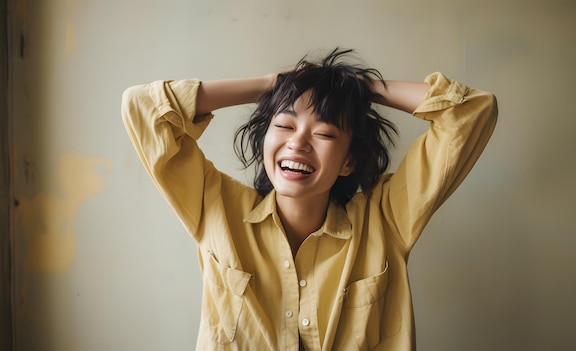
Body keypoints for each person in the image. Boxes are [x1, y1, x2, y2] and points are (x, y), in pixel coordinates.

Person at [121, 48, 497, 351]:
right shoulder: (216, 208)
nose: (298, 141)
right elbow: (143, 108)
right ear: (265, 140)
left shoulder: (386, 219)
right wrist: (274, 84)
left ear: (349, 161)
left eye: (325, 134)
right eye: (284, 125)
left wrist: (357, 88)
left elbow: (470, 111)